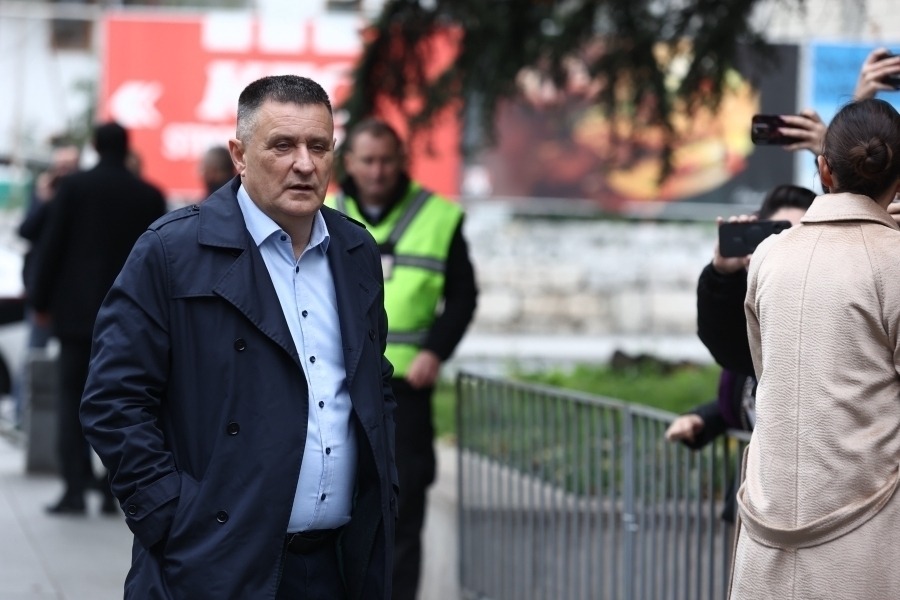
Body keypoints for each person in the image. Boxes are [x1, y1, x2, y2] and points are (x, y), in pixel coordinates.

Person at [80, 75, 398, 600]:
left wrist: (385, 491)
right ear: (240, 155)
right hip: (211, 564)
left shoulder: (355, 251)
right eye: (282, 146)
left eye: (319, 146)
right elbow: (113, 400)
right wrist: (171, 516)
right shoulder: (172, 251)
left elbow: (373, 383)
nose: (304, 164)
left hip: (338, 566)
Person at [728, 98, 900, 599]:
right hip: (868, 542)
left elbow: (767, 372)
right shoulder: (894, 261)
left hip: (766, 534)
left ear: (824, 169)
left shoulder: (769, 255)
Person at [328, 118, 478, 600]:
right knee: (333, 507)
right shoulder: (322, 213)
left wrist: (435, 351)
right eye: (367, 160)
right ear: (349, 163)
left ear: (402, 162)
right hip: (337, 386)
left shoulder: (439, 217)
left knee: (402, 510)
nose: (377, 171)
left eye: (387, 160)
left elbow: (463, 296)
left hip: (406, 390)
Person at [28, 122, 166, 516]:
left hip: (76, 316)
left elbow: (52, 247)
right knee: (130, 402)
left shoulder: (74, 188)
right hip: (134, 318)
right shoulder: (148, 195)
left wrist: (40, 300)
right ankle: (113, 489)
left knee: (72, 399)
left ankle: (74, 489)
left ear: (94, 145)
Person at [665, 185, 815, 521]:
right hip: (754, 510)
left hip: (808, 513)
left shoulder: (823, 317)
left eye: (800, 237)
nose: (788, 249)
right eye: (778, 235)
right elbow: (749, 378)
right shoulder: (753, 318)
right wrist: (723, 274)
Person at [14, 140, 81, 427]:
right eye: (60, 167)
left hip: (71, 296)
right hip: (44, 292)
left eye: (69, 167)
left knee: (74, 365)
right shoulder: (45, 195)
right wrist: (44, 200)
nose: (63, 172)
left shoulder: (81, 197)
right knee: (33, 356)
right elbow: (26, 230)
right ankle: (21, 416)